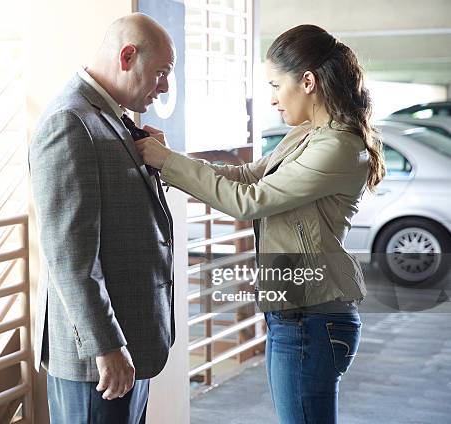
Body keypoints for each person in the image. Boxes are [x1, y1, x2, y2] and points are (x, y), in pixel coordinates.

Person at [136, 24, 385, 424]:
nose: (271, 99)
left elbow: (249, 202)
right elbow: (249, 178)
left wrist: (165, 162)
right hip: (296, 316)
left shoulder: (338, 146)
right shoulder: (307, 134)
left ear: (307, 82)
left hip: (312, 319)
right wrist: (170, 156)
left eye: (275, 84)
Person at [29, 13, 176, 424]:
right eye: (161, 73)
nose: (164, 86)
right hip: (100, 358)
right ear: (127, 56)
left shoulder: (108, 116)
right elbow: (69, 255)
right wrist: (106, 347)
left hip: (132, 344)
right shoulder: (69, 122)